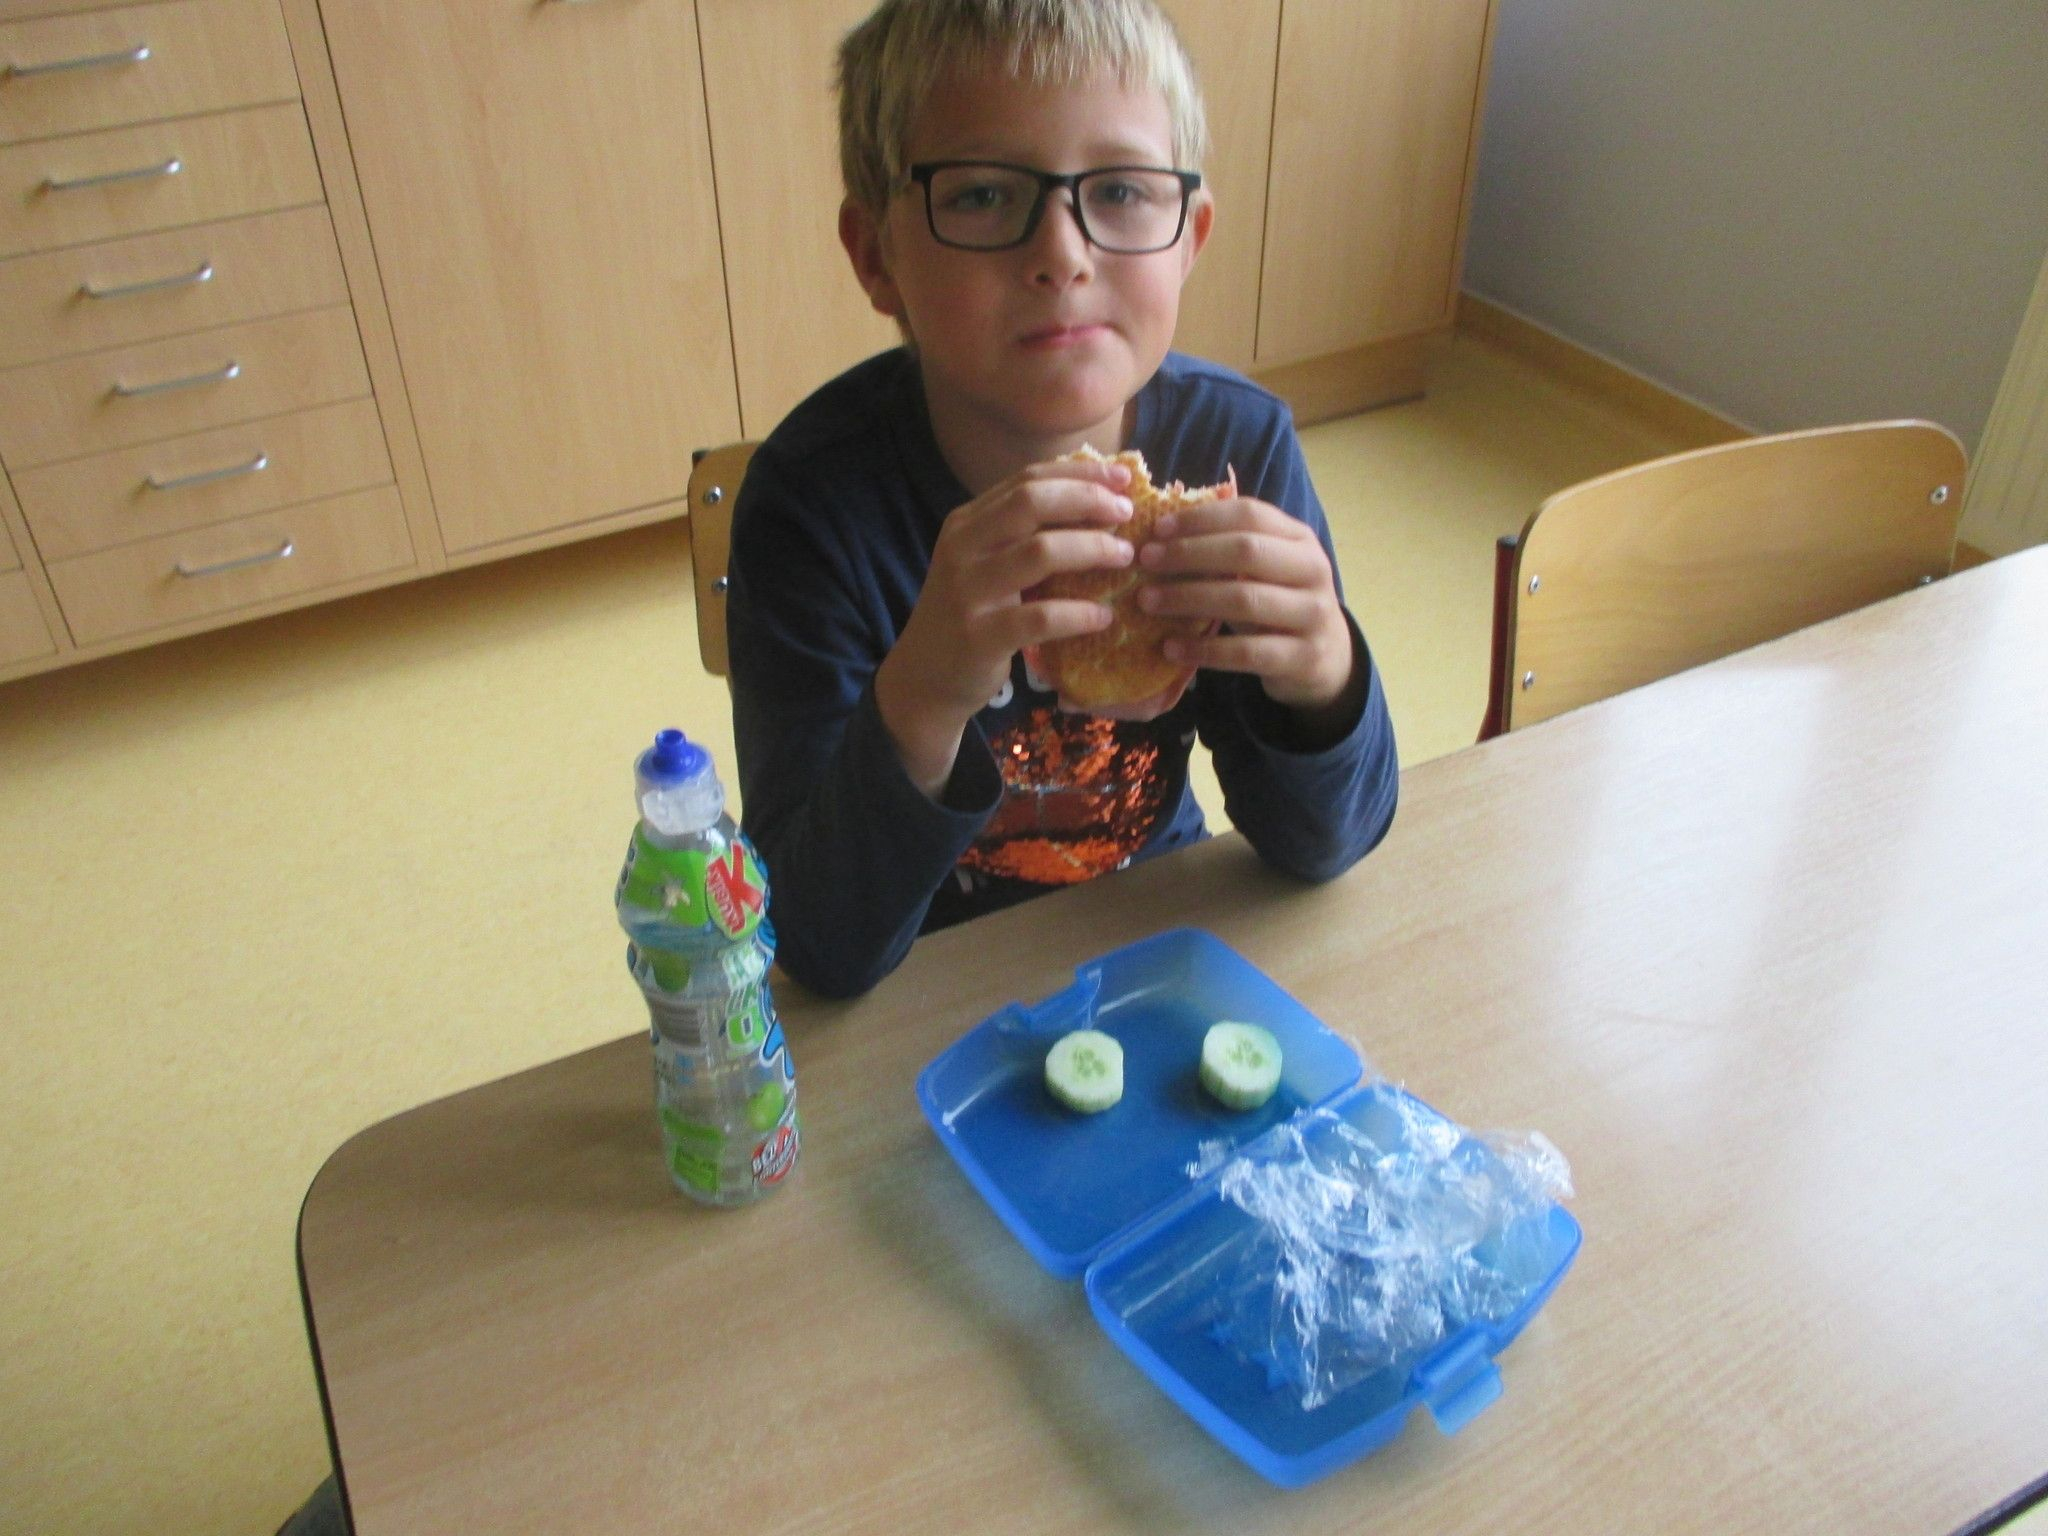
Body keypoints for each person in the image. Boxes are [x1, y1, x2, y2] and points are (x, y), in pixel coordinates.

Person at [729, 0, 1399, 1001]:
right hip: (926, 991)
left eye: (1121, 190)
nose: (1063, 253)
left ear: (1190, 238)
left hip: (1150, 937)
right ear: (877, 257)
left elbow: (1323, 846)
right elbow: (819, 945)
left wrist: (1324, 679)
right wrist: (923, 695)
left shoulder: (1237, 449)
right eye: (983, 195)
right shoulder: (811, 508)